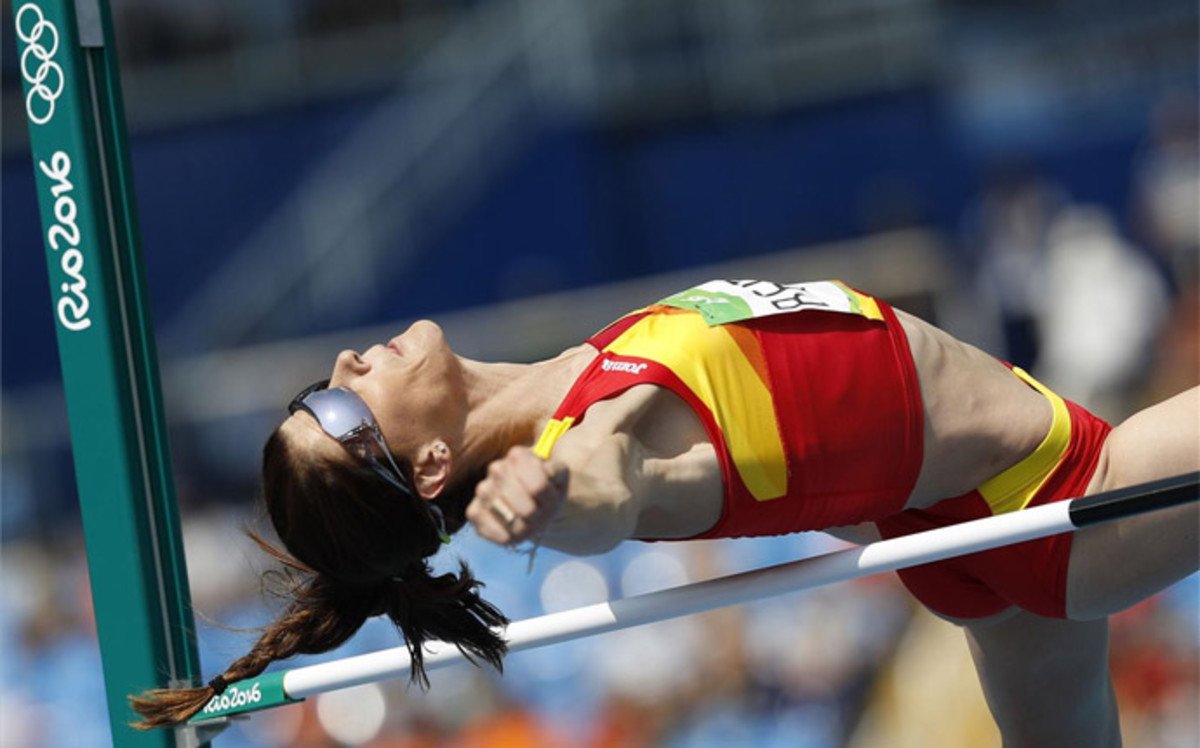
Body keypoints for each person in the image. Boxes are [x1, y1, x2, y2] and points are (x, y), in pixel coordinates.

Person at [131, 279, 1199, 744]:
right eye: (338, 409)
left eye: (313, 394)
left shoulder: (568, 375)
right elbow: (615, 490)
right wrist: (557, 501)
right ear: (431, 466)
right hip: (1063, 500)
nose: (344, 364)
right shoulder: (586, 442)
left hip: (955, 528)